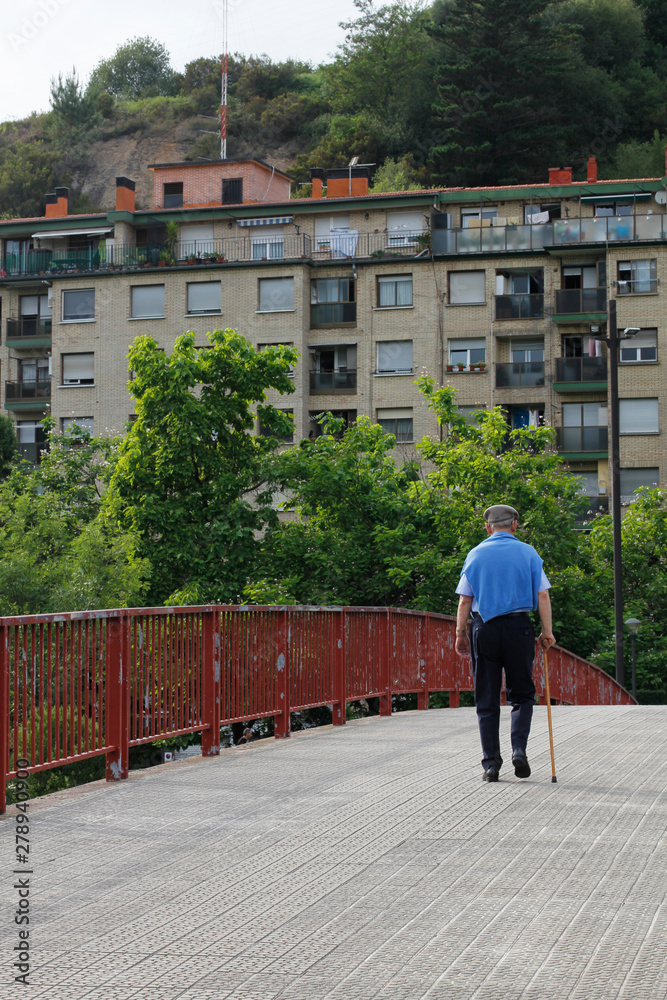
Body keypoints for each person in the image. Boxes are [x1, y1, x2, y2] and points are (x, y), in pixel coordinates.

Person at [455, 504, 556, 782]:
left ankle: (491, 765)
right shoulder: (529, 553)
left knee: (486, 698)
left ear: (488, 528)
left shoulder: (475, 554)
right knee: (522, 694)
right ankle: (519, 750)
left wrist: (460, 632)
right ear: (514, 525)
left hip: (484, 629)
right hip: (519, 628)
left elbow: (465, 599)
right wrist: (547, 632)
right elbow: (543, 596)